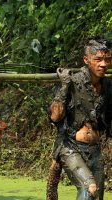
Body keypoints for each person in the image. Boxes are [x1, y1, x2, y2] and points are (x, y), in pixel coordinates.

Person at [48, 36, 112, 199]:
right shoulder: (72, 81)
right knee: (89, 187)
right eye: (98, 59)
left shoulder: (107, 86)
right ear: (86, 59)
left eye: (107, 60)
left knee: (96, 195)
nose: (103, 64)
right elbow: (55, 117)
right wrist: (64, 86)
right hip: (71, 147)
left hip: (95, 150)